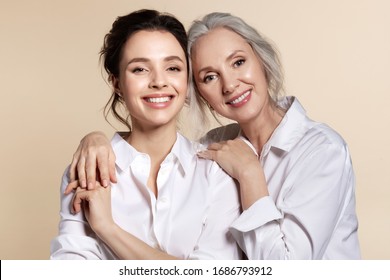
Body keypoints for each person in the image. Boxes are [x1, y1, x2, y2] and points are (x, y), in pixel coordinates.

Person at [67, 12, 360, 259]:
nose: (230, 84)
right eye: (209, 76)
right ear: (197, 92)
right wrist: (95, 139)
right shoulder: (212, 149)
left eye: (238, 62)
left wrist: (250, 176)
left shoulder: (323, 151)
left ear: (262, 60)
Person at [50, 9, 242, 260]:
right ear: (117, 83)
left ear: (187, 81)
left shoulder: (215, 172)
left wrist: (107, 228)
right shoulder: (88, 170)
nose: (159, 82)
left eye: (172, 67)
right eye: (140, 69)